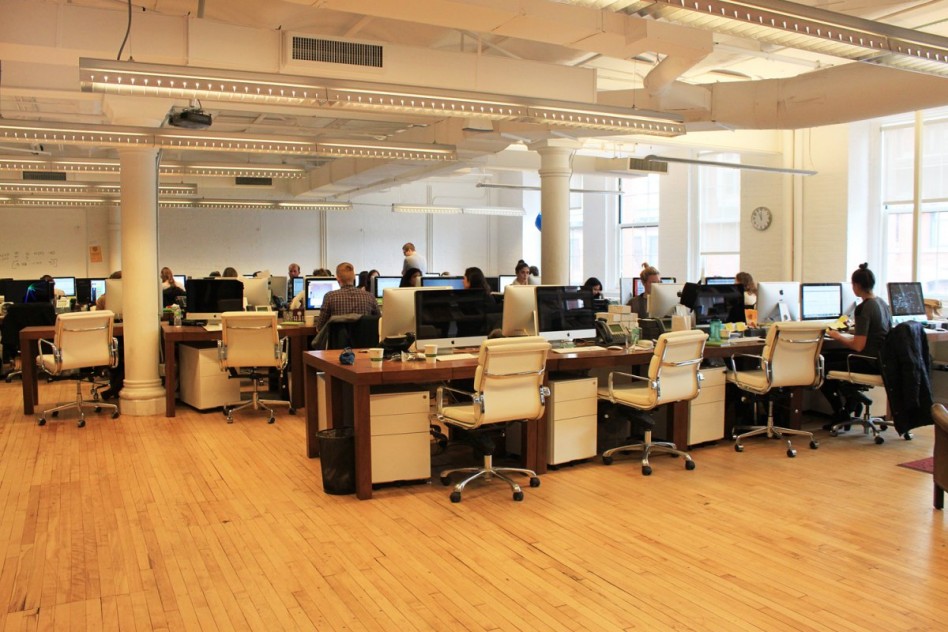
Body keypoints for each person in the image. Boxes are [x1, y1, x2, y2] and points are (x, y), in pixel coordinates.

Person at [820, 263, 891, 425]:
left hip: (868, 360)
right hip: (882, 360)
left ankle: (841, 411)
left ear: (856, 286)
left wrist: (837, 336)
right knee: (828, 356)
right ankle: (851, 400)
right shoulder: (882, 303)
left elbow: (858, 346)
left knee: (820, 365)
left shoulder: (864, 308)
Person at [315, 262, 380, 332]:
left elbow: (319, 328)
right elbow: (380, 322)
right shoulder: (370, 297)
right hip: (364, 342)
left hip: (338, 342)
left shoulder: (330, 297)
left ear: (337, 279)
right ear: (354, 278)